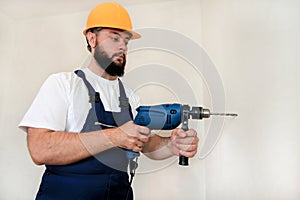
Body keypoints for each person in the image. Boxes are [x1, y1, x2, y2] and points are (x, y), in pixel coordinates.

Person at [19, 2, 199, 200]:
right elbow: (39, 149)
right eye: (114, 37)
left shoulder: (130, 96)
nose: (122, 46)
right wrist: (115, 136)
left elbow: (146, 143)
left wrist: (172, 146)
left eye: (126, 41)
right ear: (92, 38)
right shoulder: (64, 84)